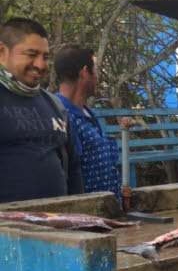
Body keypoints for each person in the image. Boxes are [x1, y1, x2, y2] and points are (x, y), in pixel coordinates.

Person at [0, 17, 83, 204]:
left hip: (57, 223)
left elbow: (74, 166)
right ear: (2, 52)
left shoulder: (53, 104)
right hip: (8, 230)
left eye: (45, 57)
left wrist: (80, 210)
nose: (41, 65)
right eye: (31, 54)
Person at [55, 45, 130, 200]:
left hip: (109, 210)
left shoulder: (88, 114)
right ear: (84, 72)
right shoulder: (61, 116)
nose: (97, 77)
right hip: (87, 214)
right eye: (95, 71)